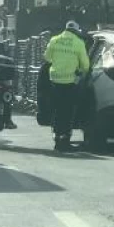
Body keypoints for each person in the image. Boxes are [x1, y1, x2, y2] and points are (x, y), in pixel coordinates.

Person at [44, 20, 90, 152]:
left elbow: (47, 58)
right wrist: (79, 70)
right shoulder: (79, 43)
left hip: (54, 80)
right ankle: (64, 139)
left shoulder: (54, 40)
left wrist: (57, 63)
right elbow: (86, 66)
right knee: (67, 112)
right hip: (69, 82)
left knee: (57, 110)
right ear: (76, 31)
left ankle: (57, 136)